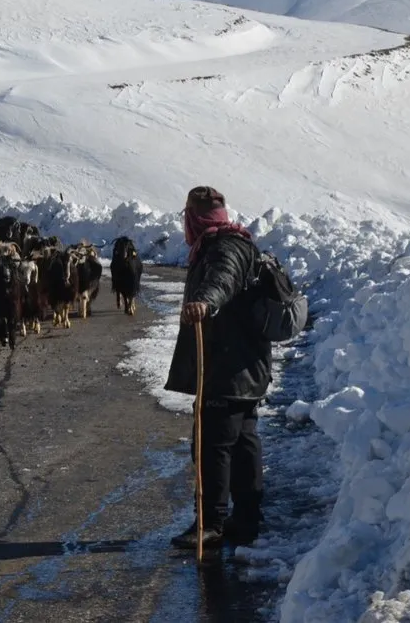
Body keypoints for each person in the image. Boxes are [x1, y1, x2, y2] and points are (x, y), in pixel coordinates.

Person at [165, 186, 271, 549]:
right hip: (244, 366)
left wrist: (205, 304)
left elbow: (222, 281)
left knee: (212, 445)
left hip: (227, 368)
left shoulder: (223, 248)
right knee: (242, 443)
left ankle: (211, 523)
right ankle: (247, 519)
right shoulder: (234, 241)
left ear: (195, 218)